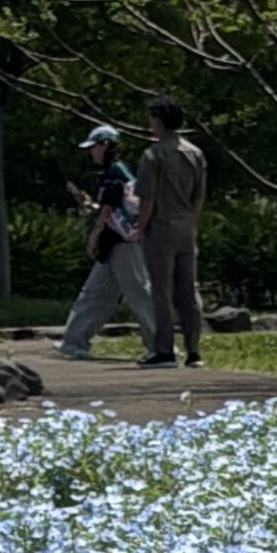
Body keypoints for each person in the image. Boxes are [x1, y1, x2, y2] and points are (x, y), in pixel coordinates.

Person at [55, 125, 157, 360]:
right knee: (95, 293)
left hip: (124, 242)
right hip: (114, 242)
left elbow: (107, 211)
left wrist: (93, 238)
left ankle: (160, 346)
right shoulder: (115, 173)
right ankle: (74, 341)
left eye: (94, 147)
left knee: (139, 292)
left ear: (106, 145)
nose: (92, 152)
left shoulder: (113, 173)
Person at [132, 96, 207, 368]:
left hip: (160, 226)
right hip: (186, 225)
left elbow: (147, 198)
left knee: (161, 290)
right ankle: (194, 349)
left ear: (160, 121)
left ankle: (164, 349)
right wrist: (190, 219)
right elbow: (199, 196)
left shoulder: (153, 155)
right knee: (187, 289)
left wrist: (140, 226)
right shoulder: (195, 153)